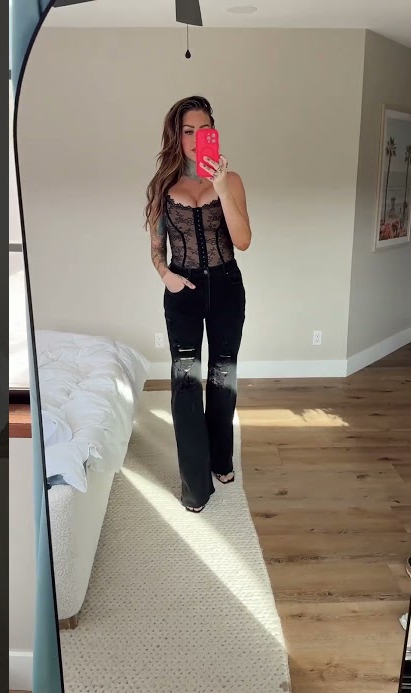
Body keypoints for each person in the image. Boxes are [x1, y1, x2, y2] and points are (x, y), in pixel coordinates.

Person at [144, 96, 252, 513]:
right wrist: (166, 276)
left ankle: (221, 459)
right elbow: (156, 247)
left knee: (223, 377)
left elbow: (243, 240)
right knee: (186, 383)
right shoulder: (162, 187)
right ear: (176, 135)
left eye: (203, 129)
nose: (195, 138)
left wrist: (221, 186)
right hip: (183, 290)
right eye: (188, 131)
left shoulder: (231, 180)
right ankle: (195, 485)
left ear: (213, 133)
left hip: (226, 286)